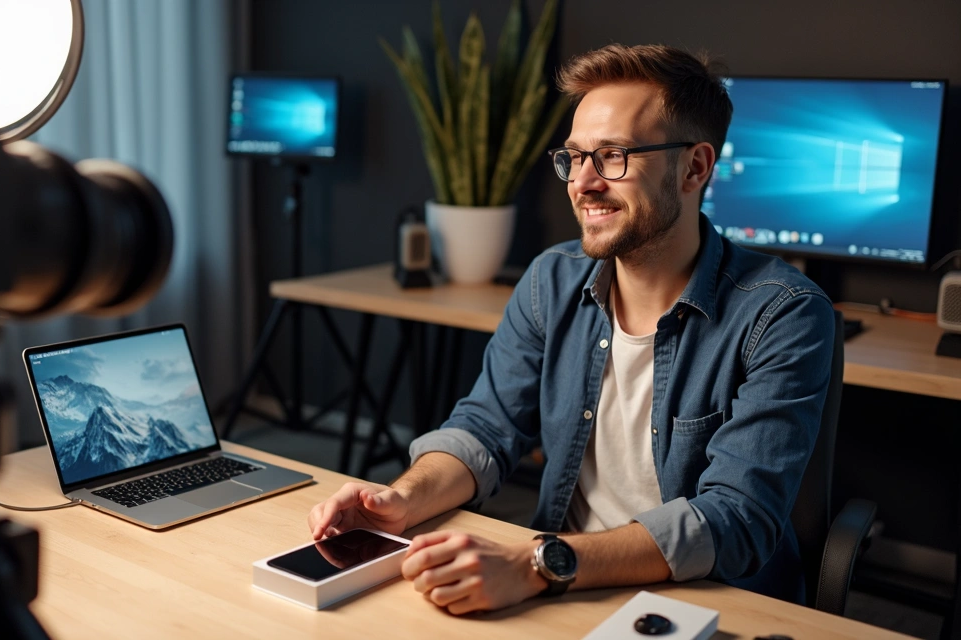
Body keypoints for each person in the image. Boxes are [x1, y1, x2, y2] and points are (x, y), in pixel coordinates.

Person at [307, 43, 835, 615]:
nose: (583, 183)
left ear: (695, 167)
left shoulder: (783, 312)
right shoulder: (551, 280)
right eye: (575, 157)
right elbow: (486, 429)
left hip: (702, 599)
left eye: (613, 156)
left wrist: (537, 564)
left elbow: (736, 518)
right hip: (562, 581)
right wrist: (402, 499)